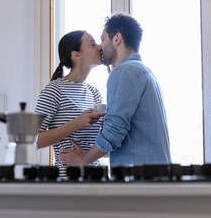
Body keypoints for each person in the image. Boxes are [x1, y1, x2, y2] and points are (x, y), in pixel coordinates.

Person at [59, 13, 171, 167]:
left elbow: (114, 131)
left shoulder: (124, 72)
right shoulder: (143, 72)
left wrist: (83, 160)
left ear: (117, 39)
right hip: (153, 175)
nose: (100, 46)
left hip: (137, 179)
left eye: (103, 39)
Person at [35, 30, 105, 177]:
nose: (99, 47)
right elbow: (33, 140)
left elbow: (106, 142)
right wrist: (76, 123)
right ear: (76, 55)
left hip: (98, 179)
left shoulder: (94, 93)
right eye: (92, 44)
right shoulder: (54, 90)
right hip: (69, 182)